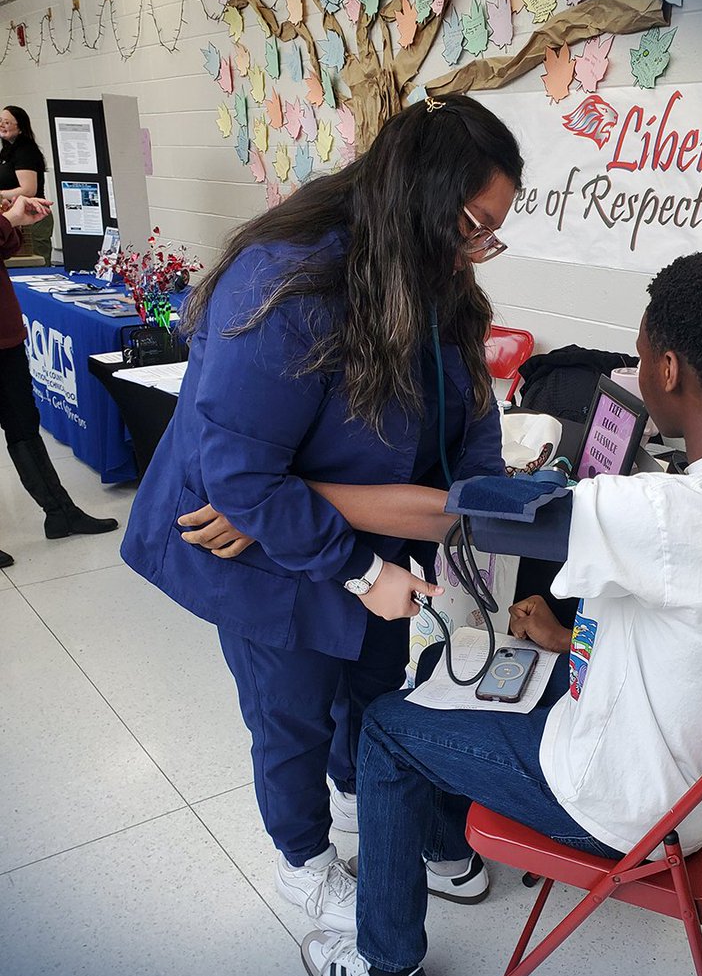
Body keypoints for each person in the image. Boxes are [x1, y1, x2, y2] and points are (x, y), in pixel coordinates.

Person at [283, 249, 702, 976]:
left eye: (639, 355)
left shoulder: (667, 515)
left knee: (384, 729)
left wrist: (283, 490)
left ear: (669, 369)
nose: (638, 370)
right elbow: (699, 621)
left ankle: (388, 972)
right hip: (696, 785)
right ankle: (448, 859)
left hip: (621, 803)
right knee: (454, 660)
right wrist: (564, 633)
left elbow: (457, 515)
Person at [120, 95, 522, 933]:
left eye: (492, 230)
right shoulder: (288, 281)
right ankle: (303, 861)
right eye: (474, 224)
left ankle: (365, 806)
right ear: (423, 200)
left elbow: (469, 413)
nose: (479, 249)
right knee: (291, 714)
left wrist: (479, 507)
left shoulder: (436, 277)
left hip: (354, 529)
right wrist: (364, 569)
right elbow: (239, 474)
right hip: (259, 547)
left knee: (375, 691)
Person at [0, 195, 118, 569]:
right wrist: (9, 220)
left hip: (4, 334)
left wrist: (13, 219)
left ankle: (60, 512)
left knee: (23, 426)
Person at [0, 107, 53, 265]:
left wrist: (1, 194)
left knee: (36, 264)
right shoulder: (6, 151)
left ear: (20, 127)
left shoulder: (26, 151)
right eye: (0, 121)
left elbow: (29, 190)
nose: (2, 125)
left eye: (7, 122)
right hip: (14, 216)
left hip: (33, 216)